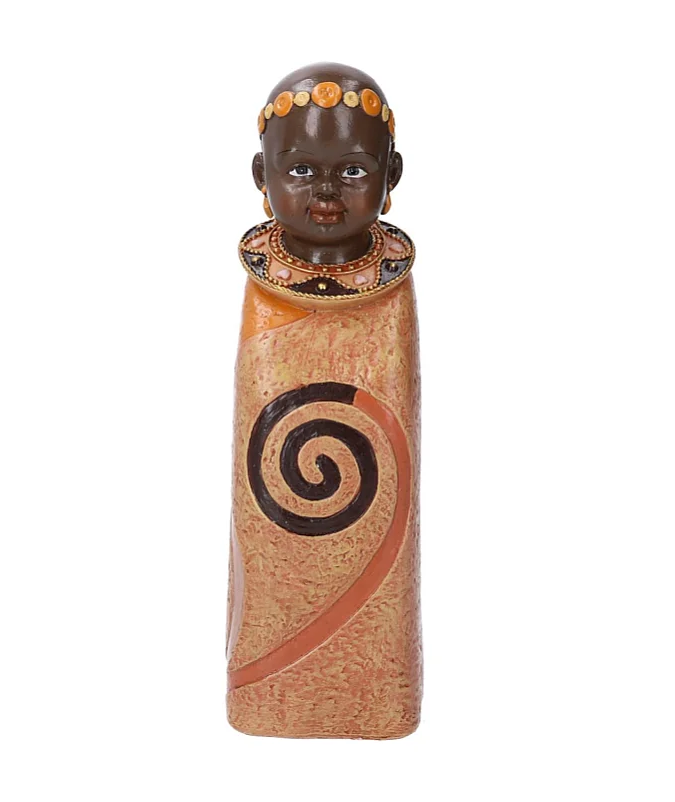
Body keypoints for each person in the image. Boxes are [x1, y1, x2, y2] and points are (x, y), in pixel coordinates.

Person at [228, 63, 421, 739]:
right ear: (263, 177)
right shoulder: (264, 293)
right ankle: (270, 689)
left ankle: (373, 696)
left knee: (381, 540)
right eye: (302, 170)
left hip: (372, 504)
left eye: (354, 171)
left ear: (392, 176)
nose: (328, 193)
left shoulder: (392, 294)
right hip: (277, 524)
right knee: (272, 544)